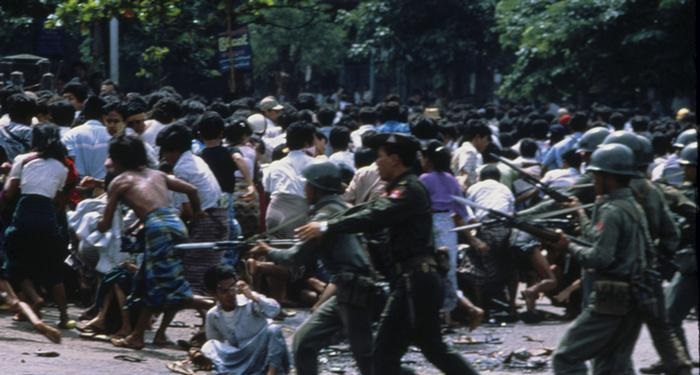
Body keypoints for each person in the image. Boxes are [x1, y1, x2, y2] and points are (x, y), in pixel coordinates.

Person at [296, 133, 479, 375]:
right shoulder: (399, 188)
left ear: (394, 159)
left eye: (379, 158)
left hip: (416, 281)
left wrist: (326, 226)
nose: (376, 163)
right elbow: (368, 209)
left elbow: (375, 215)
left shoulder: (409, 189)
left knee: (404, 353)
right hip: (411, 281)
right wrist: (331, 221)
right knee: (400, 354)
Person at [251, 162, 374, 375]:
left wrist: (267, 250)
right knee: (304, 343)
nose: (305, 190)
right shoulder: (338, 208)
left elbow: (294, 257)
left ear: (317, 189)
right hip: (345, 289)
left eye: (308, 186)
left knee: (368, 360)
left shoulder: (324, 216)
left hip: (354, 290)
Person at [97, 135, 213, 350]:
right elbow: (192, 190)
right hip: (176, 224)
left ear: (118, 159)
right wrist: (197, 213)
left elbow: (105, 223)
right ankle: (138, 334)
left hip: (157, 229)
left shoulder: (120, 181)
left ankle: (215, 304)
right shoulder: (158, 174)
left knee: (167, 286)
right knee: (150, 281)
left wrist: (97, 223)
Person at [550, 144, 651, 374]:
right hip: (633, 295)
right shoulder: (630, 206)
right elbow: (597, 236)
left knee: (566, 358)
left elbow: (599, 257)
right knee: (612, 365)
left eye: (595, 175)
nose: (592, 180)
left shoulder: (613, 211)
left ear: (608, 177)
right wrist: (580, 212)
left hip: (611, 297)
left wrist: (569, 247)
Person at [2, 124, 72, 328]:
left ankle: (34, 297)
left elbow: (8, 192)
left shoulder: (22, 160)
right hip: (47, 215)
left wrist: (7, 177)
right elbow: (58, 199)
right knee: (53, 267)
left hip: (25, 212)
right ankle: (64, 316)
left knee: (14, 260)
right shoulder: (62, 167)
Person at [157, 124, 228, 294]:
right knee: (209, 268)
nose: (165, 158)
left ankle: (204, 308)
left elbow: (187, 210)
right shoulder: (197, 159)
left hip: (207, 220)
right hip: (219, 215)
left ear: (173, 150)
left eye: (165, 153)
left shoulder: (182, 168)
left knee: (195, 269)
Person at [419, 142, 484, 329]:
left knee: (432, 268)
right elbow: (460, 209)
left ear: (429, 160)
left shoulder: (424, 179)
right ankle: (447, 315)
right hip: (448, 225)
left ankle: (442, 315)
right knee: (449, 269)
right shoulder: (451, 179)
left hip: (431, 224)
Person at [61, 96, 111, 179]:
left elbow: (68, 161)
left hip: (77, 186)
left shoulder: (70, 134)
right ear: (105, 115)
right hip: (104, 187)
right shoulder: (112, 136)